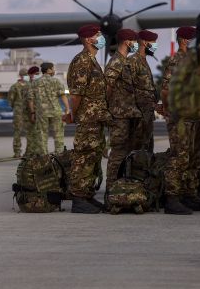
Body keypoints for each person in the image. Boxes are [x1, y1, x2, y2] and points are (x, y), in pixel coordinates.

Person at [65, 24, 109, 214]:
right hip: (87, 118)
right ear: (88, 39)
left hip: (96, 118)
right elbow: (76, 95)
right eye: (97, 35)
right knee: (83, 157)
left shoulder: (92, 60)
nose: (101, 37)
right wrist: (73, 114)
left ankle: (87, 195)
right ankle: (78, 198)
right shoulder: (82, 61)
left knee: (93, 157)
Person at [160, 26, 200, 215]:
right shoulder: (177, 61)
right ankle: (172, 197)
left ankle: (187, 193)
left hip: (192, 116)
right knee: (179, 157)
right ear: (184, 41)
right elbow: (166, 91)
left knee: (190, 157)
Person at [104, 29, 142, 189]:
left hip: (129, 114)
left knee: (127, 151)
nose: (135, 44)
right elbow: (107, 86)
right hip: (119, 115)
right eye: (134, 41)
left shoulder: (126, 61)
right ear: (127, 42)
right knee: (118, 152)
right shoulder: (116, 62)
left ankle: (123, 185)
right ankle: (111, 186)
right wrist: (109, 108)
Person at [29, 62, 69, 154]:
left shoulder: (35, 82)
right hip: (55, 112)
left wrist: (32, 113)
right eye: (53, 68)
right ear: (49, 70)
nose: (54, 70)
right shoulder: (56, 81)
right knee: (58, 135)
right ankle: (59, 156)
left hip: (41, 113)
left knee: (42, 135)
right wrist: (67, 109)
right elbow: (63, 96)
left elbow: (30, 99)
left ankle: (44, 157)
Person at [130, 30, 159, 152]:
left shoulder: (143, 61)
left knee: (147, 149)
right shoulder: (133, 61)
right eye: (153, 42)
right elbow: (128, 88)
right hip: (139, 115)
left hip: (147, 114)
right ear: (144, 42)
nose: (155, 46)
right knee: (138, 150)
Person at [7, 68, 29, 157]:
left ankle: (28, 151)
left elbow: (10, 100)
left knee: (28, 132)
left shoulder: (16, 86)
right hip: (21, 112)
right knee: (18, 132)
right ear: (21, 76)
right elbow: (10, 100)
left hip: (24, 111)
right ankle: (17, 151)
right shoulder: (16, 86)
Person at [23, 66, 44, 156]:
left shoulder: (36, 84)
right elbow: (28, 100)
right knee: (31, 134)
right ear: (31, 75)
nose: (38, 75)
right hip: (30, 113)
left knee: (36, 134)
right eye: (36, 74)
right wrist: (32, 113)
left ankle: (33, 153)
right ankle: (30, 154)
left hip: (37, 113)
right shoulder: (28, 85)